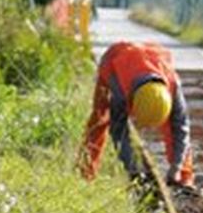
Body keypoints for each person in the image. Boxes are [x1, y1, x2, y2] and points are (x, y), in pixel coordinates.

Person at [79, 40, 194, 188]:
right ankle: (85, 172)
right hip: (114, 60)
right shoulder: (118, 90)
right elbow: (119, 132)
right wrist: (133, 169)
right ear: (132, 103)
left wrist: (176, 167)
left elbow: (181, 127)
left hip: (150, 59)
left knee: (175, 127)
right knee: (99, 119)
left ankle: (183, 178)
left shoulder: (173, 85)